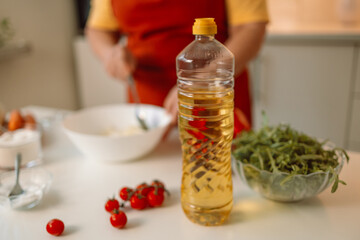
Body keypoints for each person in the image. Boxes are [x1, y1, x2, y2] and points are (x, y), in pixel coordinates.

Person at [85, 0, 269, 136]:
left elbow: (251, 27)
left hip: (216, 100)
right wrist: (109, 53)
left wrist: (207, 79)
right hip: (146, 104)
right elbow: (98, 29)